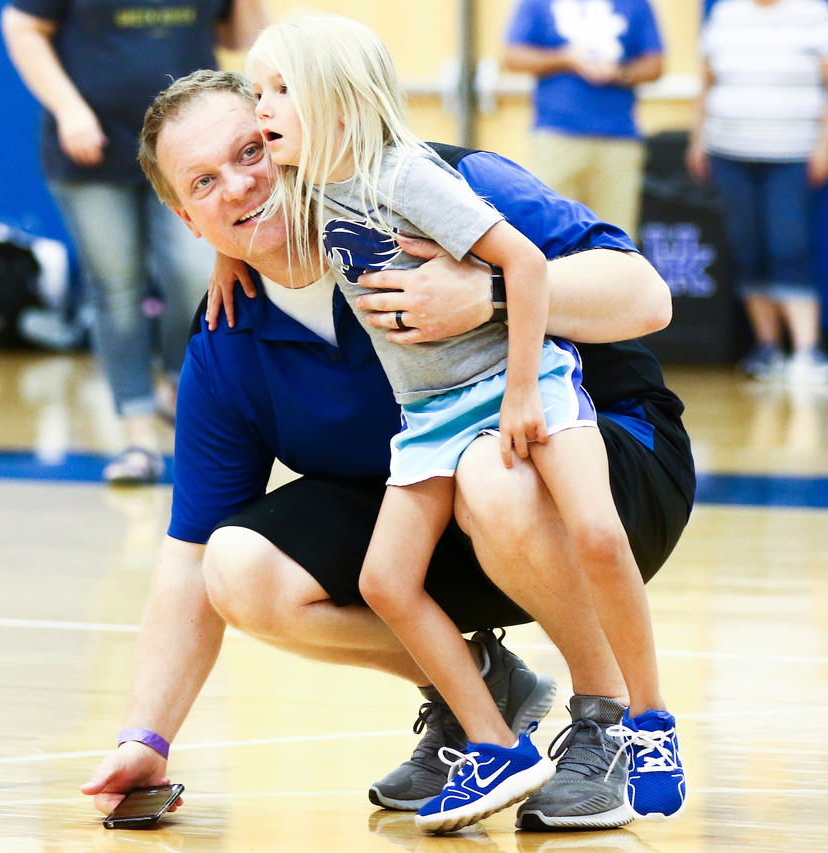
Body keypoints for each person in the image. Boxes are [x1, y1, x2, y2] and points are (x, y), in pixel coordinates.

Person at [80, 69, 694, 832]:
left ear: (291, 133)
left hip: (607, 465)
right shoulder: (227, 339)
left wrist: (489, 293)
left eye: (250, 151)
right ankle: (480, 692)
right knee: (237, 566)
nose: (238, 186)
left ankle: (611, 719)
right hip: (440, 502)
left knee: (490, 470)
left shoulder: (436, 183)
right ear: (187, 220)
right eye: (204, 182)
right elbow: (186, 555)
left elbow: (647, 297)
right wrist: (147, 735)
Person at [0, 0, 268, 484]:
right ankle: (138, 437)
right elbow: (21, 26)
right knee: (116, 290)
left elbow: (240, 39)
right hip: (93, 150)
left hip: (191, 156)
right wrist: (68, 109)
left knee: (195, 275)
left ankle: (175, 383)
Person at [687, 0, 828, 383]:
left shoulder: (812, 14)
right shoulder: (724, 14)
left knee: (789, 246)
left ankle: (806, 350)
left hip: (792, 152)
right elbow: (708, 81)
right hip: (730, 150)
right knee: (745, 248)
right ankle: (767, 347)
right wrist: (699, 140)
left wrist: (824, 142)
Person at [503, 0, 664, 237]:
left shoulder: (636, 4)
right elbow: (512, 56)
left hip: (618, 137)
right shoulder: (537, 3)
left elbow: (655, 65)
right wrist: (566, 58)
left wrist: (619, 72)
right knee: (548, 232)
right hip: (556, 135)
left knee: (615, 235)